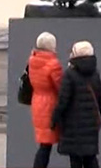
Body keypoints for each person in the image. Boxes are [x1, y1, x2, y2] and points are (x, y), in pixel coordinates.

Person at [51, 41, 101, 168]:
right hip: (90, 122)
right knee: (90, 157)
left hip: (72, 123)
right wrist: (96, 115)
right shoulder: (95, 73)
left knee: (75, 159)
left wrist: (55, 118)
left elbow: (63, 100)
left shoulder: (70, 74)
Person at [29, 32, 63, 168]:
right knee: (46, 145)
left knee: (44, 144)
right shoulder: (53, 64)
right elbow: (61, 86)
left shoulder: (32, 60)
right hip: (50, 104)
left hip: (37, 102)